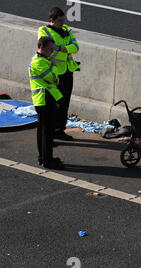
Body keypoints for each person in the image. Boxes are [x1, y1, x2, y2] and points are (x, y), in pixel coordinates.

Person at [38, 7, 80, 141]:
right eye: (60, 21)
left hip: (67, 70)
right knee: (54, 104)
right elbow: (49, 50)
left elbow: (76, 48)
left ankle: (59, 130)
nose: (62, 23)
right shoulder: (44, 31)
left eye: (63, 20)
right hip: (55, 73)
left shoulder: (66, 30)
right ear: (52, 20)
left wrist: (61, 48)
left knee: (64, 103)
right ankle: (50, 134)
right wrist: (66, 51)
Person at [29, 36, 65, 169]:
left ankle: (43, 157)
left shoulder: (43, 60)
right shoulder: (39, 62)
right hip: (44, 99)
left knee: (43, 130)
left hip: (44, 99)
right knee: (47, 132)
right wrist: (54, 67)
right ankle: (47, 160)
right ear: (42, 47)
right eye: (50, 49)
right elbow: (52, 78)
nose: (52, 52)